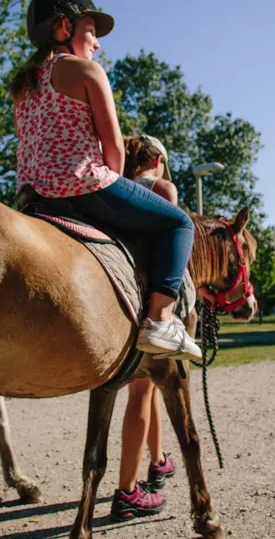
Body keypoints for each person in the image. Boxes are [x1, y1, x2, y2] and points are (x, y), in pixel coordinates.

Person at [10, 0, 202, 361]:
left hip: (30, 196)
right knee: (179, 224)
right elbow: (113, 148)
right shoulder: (86, 71)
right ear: (65, 27)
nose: (97, 44)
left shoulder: (23, 87)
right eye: (91, 32)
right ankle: (161, 320)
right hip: (81, 185)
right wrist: (115, 180)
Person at [111, 134, 182, 520]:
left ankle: (158, 462)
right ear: (156, 160)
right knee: (141, 393)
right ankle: (126, 491)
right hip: (146, 299)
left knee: (149, 390)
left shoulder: (114, 188)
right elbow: (165, 249)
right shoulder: (161, 187)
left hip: (116, 288)